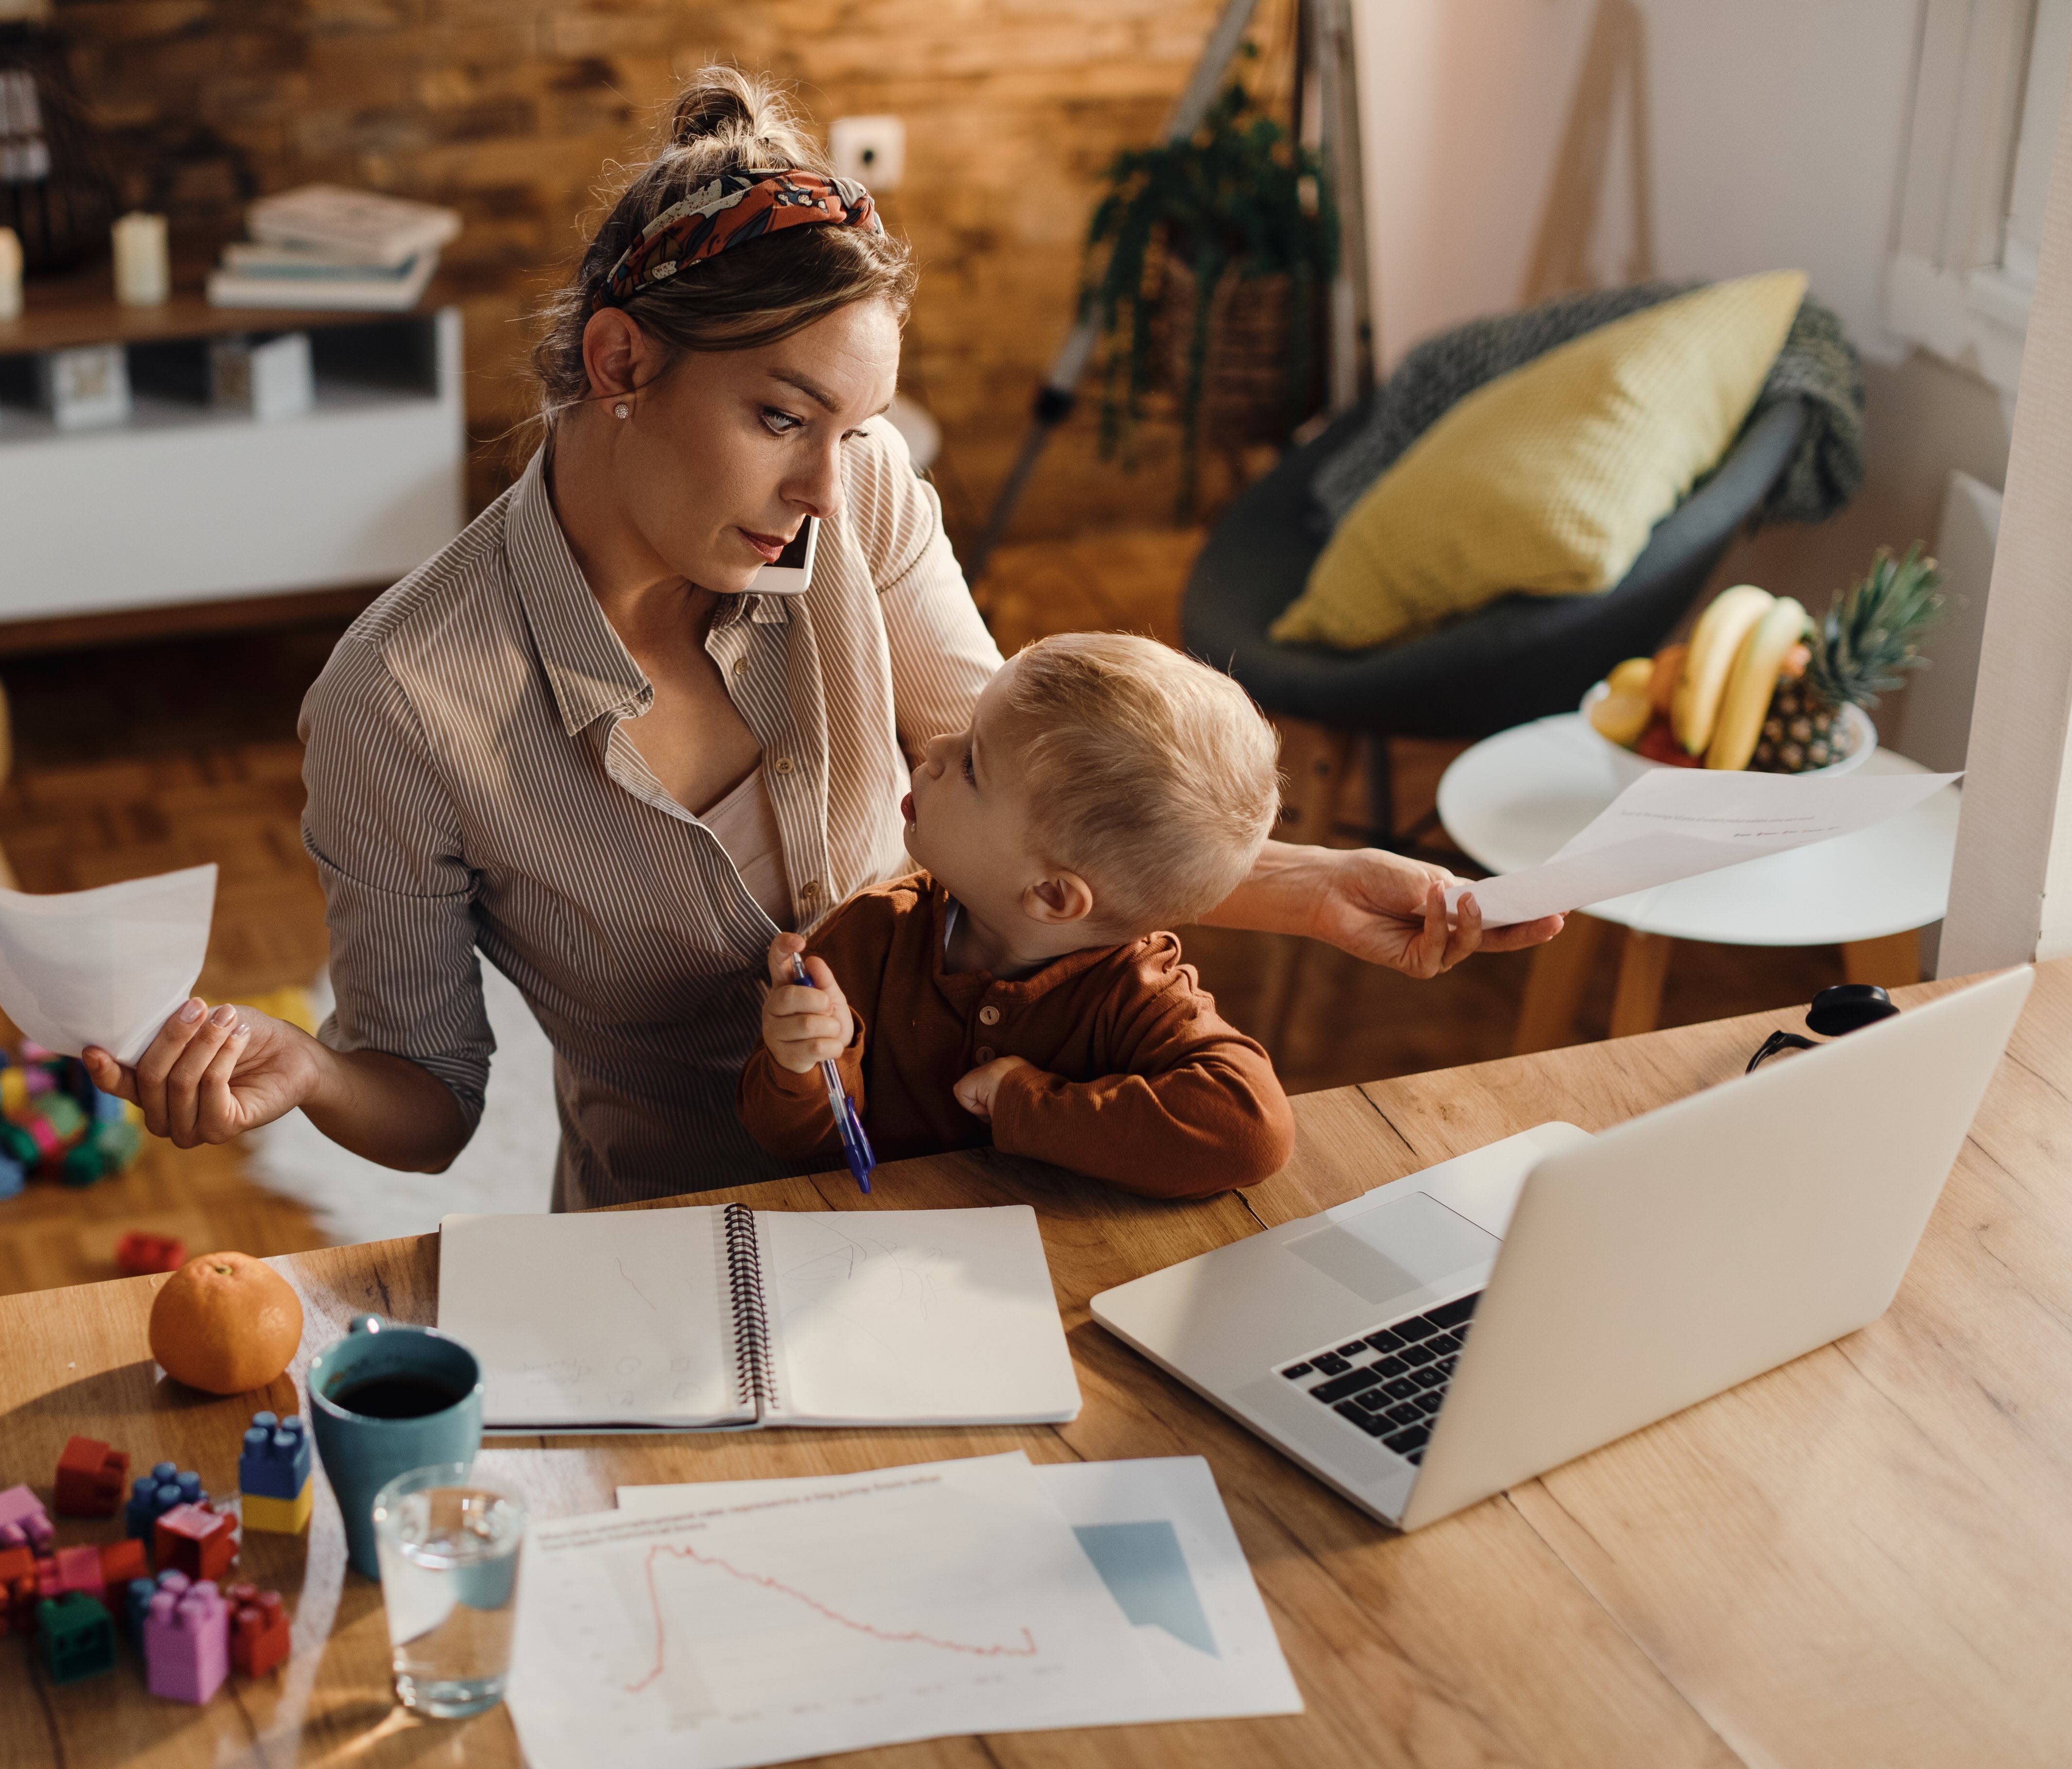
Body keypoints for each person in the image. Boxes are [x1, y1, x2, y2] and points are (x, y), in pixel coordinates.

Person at [83, 67, 1561, 1211]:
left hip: (964, 1190)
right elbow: (434, 1102)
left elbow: (1033, 786)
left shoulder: (856, 496)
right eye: (782, 417)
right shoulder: (401, 703)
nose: (822, 485)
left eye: (849, 430)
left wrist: (1306, 891)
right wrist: (313, 1075)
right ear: (621, 363)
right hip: (679, 1236)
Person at [741, 632, 1293, 1197]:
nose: (934, 749)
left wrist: (1028, 1104)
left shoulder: (1139, 993)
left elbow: (1255, 1131)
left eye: (973, 765)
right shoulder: (871, 936)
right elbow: (783, 1137)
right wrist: (803, 1065)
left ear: (1053, 896)